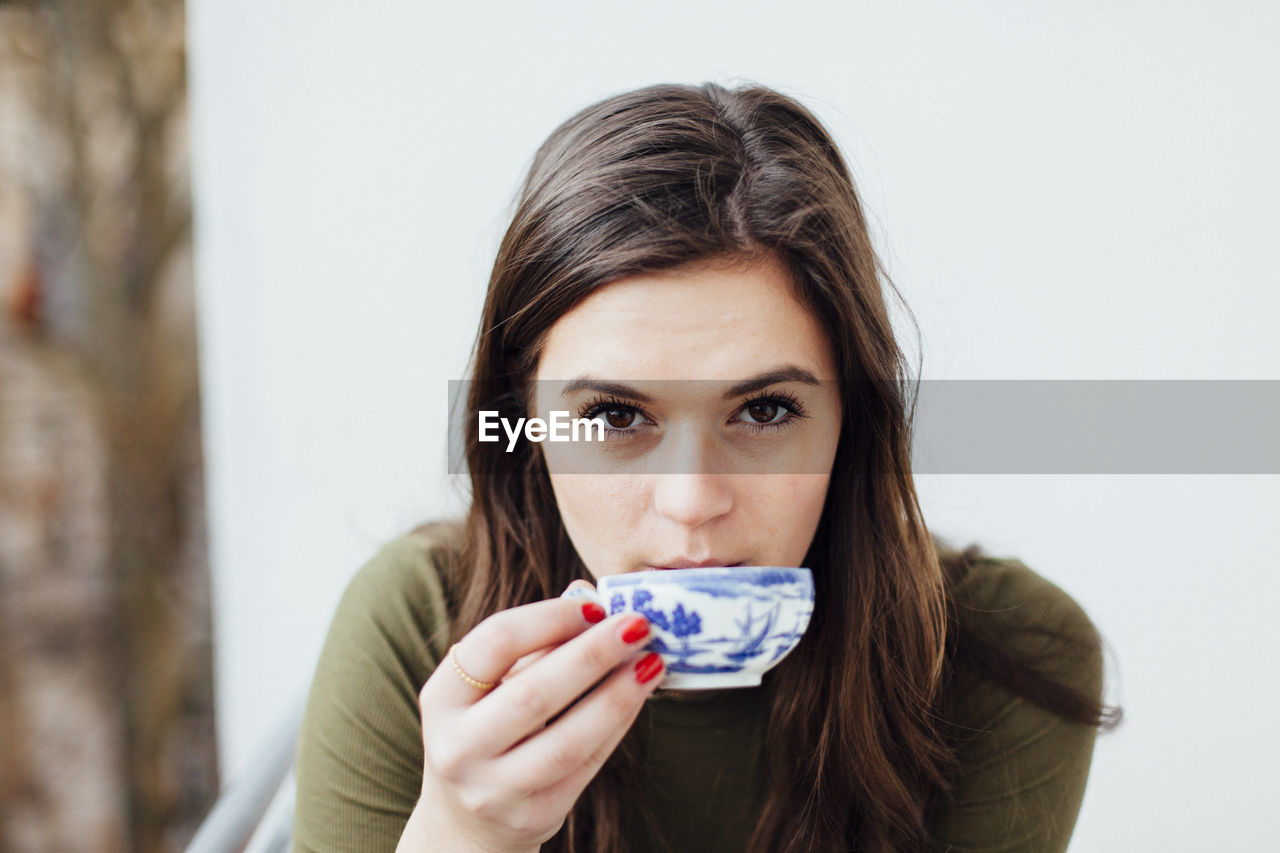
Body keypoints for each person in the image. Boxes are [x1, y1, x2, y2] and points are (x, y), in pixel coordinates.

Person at [291, 82, 1120, 853]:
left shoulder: (1007, 657)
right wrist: (459, 834)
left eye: (764, 411)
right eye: (615, 416)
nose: (692, 502)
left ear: (852, 422)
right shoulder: (418, 628)